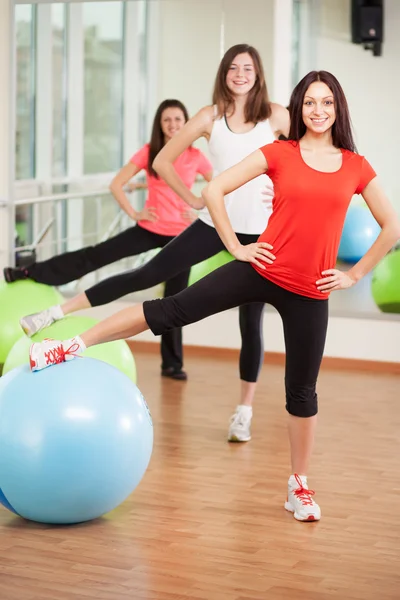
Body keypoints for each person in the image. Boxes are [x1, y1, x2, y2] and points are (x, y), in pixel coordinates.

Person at [29, 71, 400, 521]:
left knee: (302, 393)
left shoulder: (354, 165)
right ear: (299, 108)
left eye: (327, 103)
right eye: (309, 103)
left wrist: (355, 274)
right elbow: (215, 189)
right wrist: (236, 246)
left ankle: (298, 487)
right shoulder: (280, 152)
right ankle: (70, 345)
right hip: (260, 270)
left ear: (338, 108)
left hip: (309, 291)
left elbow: (391, 226)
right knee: (170, 310)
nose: (318, 111)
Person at [18, 44, 289, 443]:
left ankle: (243, 411)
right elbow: (162, 161)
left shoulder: (276, 115)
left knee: (251, 319)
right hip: (214, 222)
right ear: (224, 73)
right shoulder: (209, 116)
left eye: (247, 68)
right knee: (147, 273)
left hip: (261, 230)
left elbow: (301, 159)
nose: (240, 74)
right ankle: (55, 313)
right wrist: (194, 198)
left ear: (258, 73)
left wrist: (281, 192)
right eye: (233, 67)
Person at [5, 99, 213, 380]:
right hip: (149, 228)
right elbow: (117, 184)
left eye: (178, 119)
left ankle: (172, 365)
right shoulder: (150, 152)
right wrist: (136, 213)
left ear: (187, 122)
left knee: (174, 299)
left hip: (181, 236)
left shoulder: (196, 156)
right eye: (167, 120)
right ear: (160, 124)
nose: (173, 125)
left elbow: (218, 186)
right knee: (96, 254)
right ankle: (29, 271)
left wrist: (199, 207)